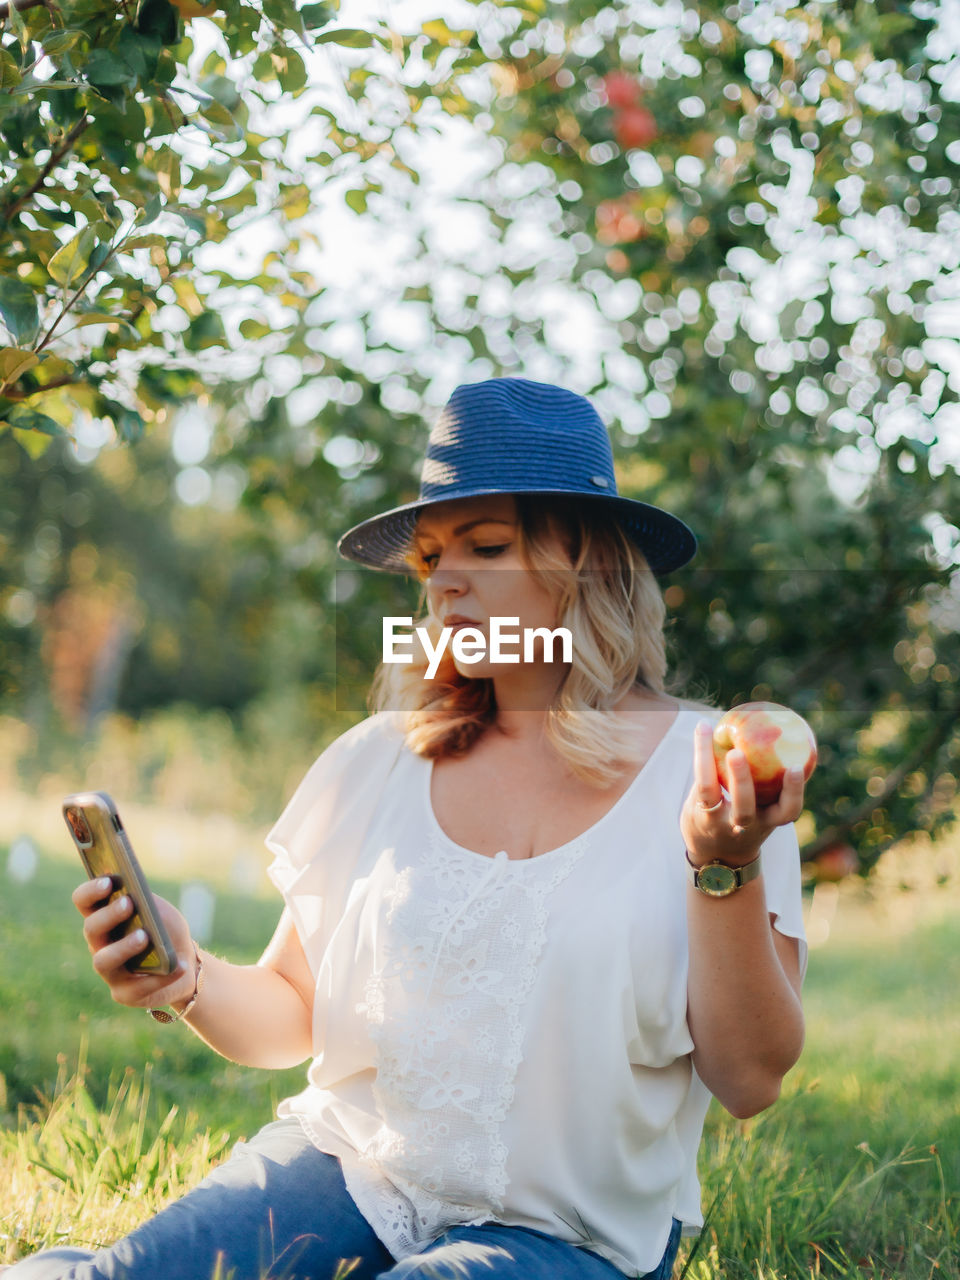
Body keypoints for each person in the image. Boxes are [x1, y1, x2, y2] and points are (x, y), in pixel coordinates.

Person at [11, 378, 807, 1280]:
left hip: (568, 1238)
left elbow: (751, 1080)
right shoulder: (381, 762)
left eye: (488, 545)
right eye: (431, 558)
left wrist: (721, 867)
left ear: (587, 560)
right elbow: (295, 1012)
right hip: (353, 1173)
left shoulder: (710, 777)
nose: (446, 580)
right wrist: (187, 976)